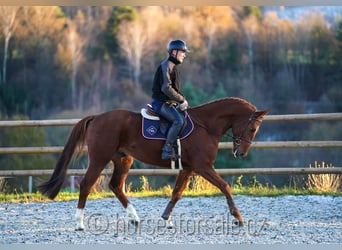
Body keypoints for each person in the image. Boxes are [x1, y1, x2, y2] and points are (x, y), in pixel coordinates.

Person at [151, 39, 190, 160]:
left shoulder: (173, 67)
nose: (184, 54)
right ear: (174, 52)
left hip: (168, 103)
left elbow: (174, 90)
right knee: (178, 121)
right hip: (161, 103)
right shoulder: (166, 66)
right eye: (182, 51)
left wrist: (181, 100)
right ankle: (167, 150)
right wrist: (182, 100)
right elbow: (166, 88)